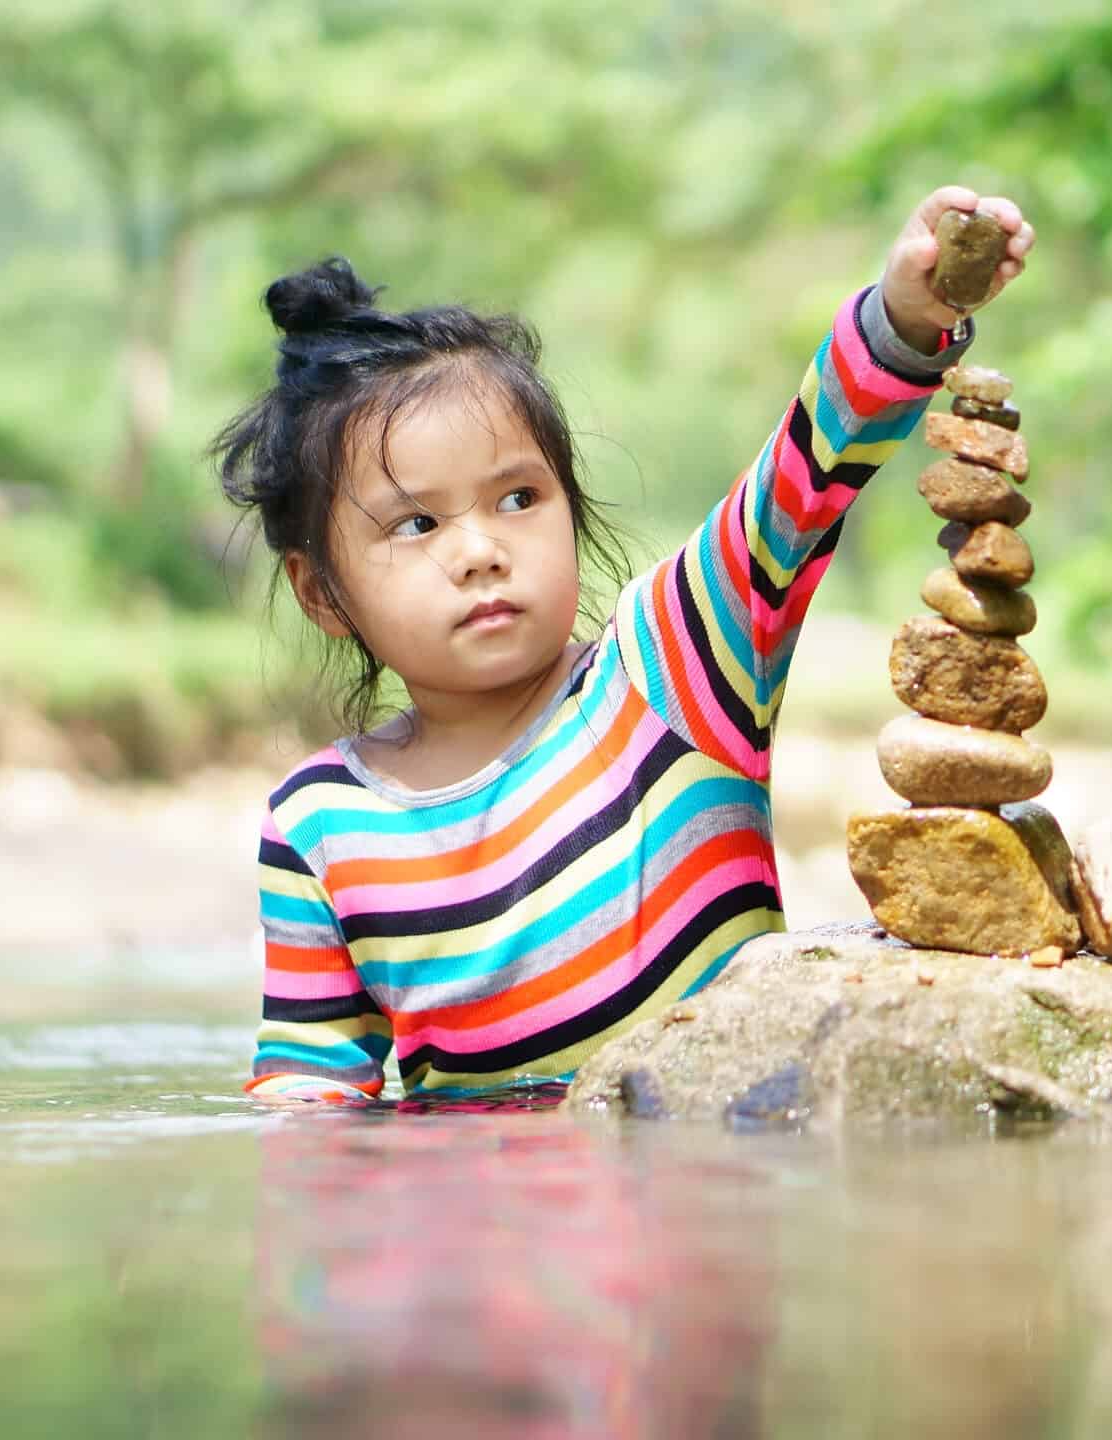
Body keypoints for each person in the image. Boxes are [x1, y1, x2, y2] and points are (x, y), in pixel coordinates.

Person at [217, 188, 1035, 1101]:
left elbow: (801, 478)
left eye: (519, 499)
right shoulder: (318, 823)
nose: (481, 551)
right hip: (470, 1228)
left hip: (711, 1201)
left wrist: (904, 320)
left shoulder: (670, 671)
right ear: (322, 591)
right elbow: (310, 1101)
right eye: (415, 524)